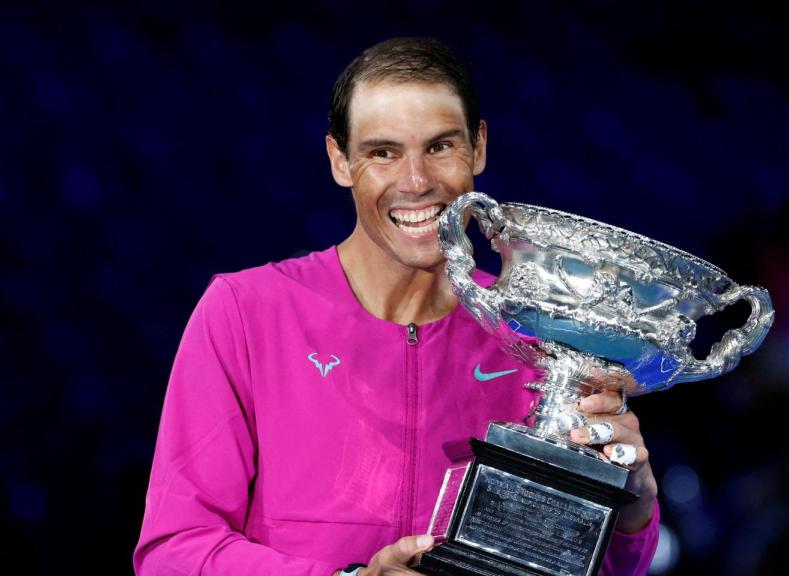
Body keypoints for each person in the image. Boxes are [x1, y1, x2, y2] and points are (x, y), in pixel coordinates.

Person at [133, 37, 659, 575]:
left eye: (440, 146)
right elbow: (173, 553)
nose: (417, 182)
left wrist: (629, 514)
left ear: (478, 146)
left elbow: (587, 565)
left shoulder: (538, 337)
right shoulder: (246, 313)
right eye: (383, 152)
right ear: (340, 160)